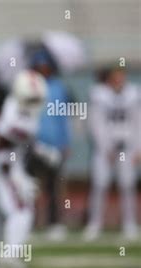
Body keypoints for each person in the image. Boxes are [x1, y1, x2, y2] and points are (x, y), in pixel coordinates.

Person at [0, 70, 48, 268]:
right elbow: (7, 138)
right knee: (22, 209)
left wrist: (39, 149)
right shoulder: (13, 109)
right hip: (3, 165)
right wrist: (41, 150)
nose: (33, 101)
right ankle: (11, 253)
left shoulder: (18, 107)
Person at [84, 67, 140, 241]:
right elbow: (95, 123)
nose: (118, 80)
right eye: (115, 77)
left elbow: (138, 122)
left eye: (121, 76)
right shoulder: (99, 95)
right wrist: (105, 147)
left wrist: (138, 148)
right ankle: (95, 223)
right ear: (109, 79)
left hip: (126, 146)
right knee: (100, 185)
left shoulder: (133, 94)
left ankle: (129, 223)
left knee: (127, 185)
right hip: (105, 149)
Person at [31, 49, 71, 241]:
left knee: (55, 186)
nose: (43, 70)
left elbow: (63, 118)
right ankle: (30, 221)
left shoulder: (58, 87)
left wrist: (65, 142)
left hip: (55, 144)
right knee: (31, 186)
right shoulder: (30, 85)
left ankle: (54, 223)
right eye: (40, 67)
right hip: (34, 144)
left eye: (45, 67)